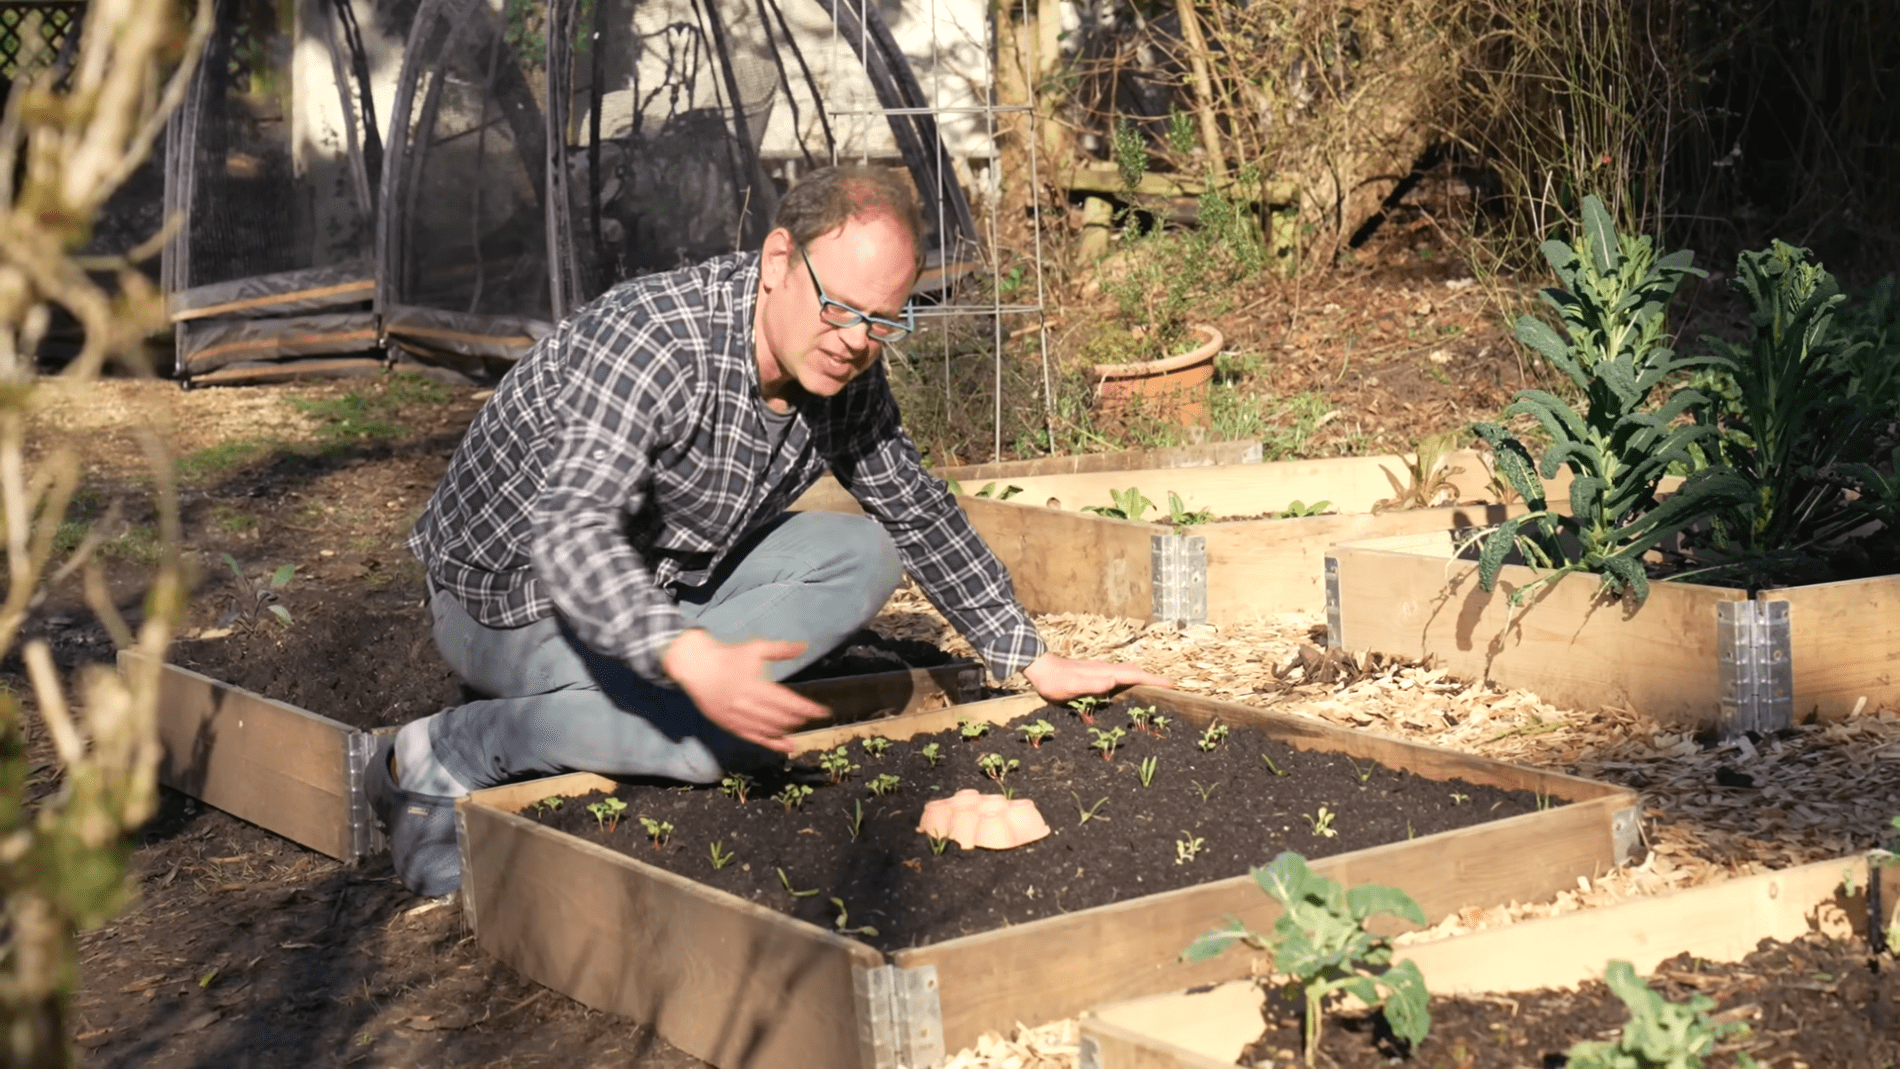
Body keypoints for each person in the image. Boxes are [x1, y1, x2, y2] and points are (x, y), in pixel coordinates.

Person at [373, 165, 1170, 896]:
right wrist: (690, 656)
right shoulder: (658, 341)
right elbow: (573, 532)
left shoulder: (842, 365)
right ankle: (451, 746)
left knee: (866, 549)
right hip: (506, 596)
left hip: (658, 577)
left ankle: (648, 683)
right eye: (841, 307)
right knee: (700, 743)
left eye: (882, 320)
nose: (857, 339)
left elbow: (914, 504)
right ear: (778, 259)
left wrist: (1028, 655)